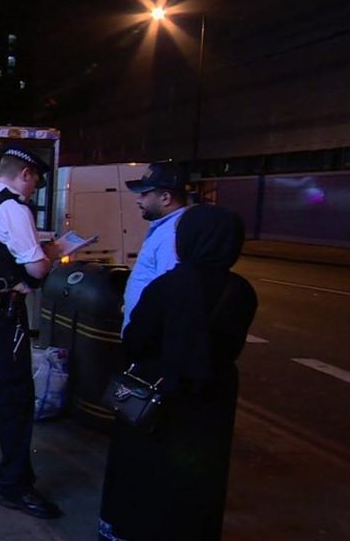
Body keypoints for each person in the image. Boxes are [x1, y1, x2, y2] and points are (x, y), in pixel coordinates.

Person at [98, 204, 258, 541]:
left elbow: (136, 340)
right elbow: (231, 347)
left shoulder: (166, 286)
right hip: (212, 396)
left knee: (143, 471)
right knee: (200, 475)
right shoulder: (241, 291)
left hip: (156, 393)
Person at [0, 146, 62, 520]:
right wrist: (54, 253)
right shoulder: (13, 208)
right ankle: (15, 485)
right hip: (4, 312)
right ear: (25, 174)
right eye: (36, 179)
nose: (35, 188)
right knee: (16, 396)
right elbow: (35, 269)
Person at [122, 161, 189, 334]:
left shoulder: (173, 235)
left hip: (150, 340)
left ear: (165, 198)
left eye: (144, 194)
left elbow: (166, 294)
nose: (138, 200)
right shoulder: (166, 227)